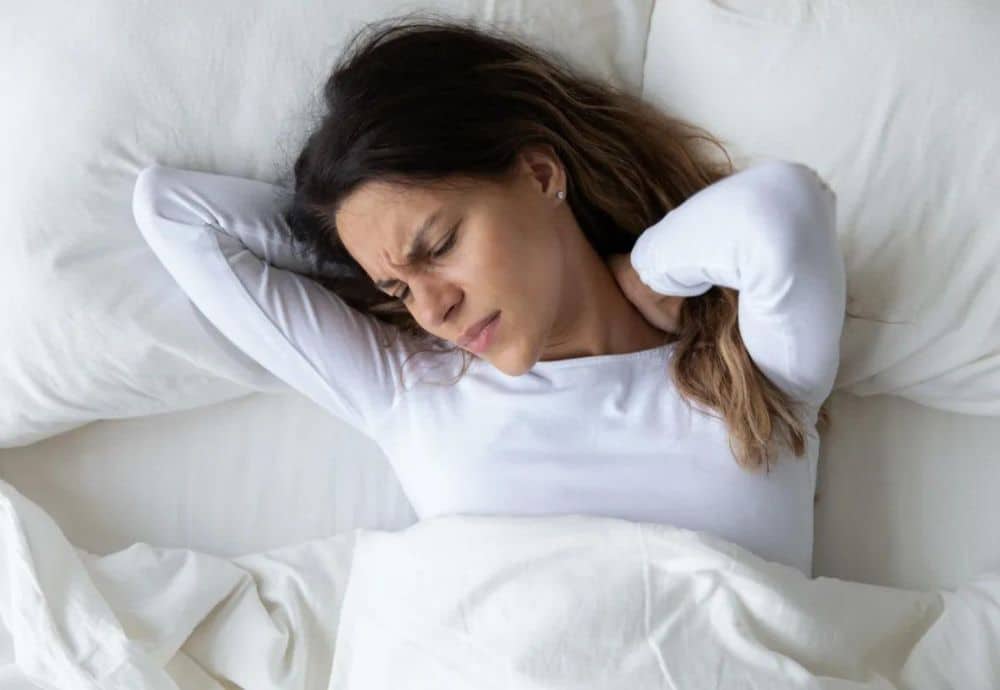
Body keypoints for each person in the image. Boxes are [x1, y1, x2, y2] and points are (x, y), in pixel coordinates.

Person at [131, 16, 848, 576]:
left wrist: (651, 272)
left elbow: (783, 209)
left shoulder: (756, 370)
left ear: (540, 175)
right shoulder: (409, 392)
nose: (431, 309)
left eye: (439, 245)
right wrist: (349, 255)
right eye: (396, 287)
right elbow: (172, 212)